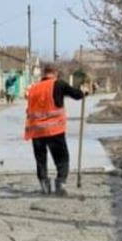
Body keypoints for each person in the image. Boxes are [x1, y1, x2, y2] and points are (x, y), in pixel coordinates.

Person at [24, 63, 86, 196]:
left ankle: (44, 185)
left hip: (36, 130)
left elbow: (29, 109)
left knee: (41, 159)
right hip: (54, 130)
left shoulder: (34, 89)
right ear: (55, 73)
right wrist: (83, 91)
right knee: (62, 158)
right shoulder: (58, 84)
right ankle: (60, 184)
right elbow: (76, 95)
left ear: (43, 73)